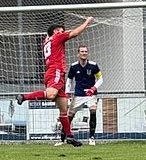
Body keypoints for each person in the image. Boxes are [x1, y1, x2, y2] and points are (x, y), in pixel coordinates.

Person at [17, 17, 94, 147]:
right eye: (61, 30)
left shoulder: (47, 40)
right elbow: (74, 33)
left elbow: (52, 36)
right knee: (51, 94)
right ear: (56, 31)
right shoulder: (56, 37)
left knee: (64, 110)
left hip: (53, 72)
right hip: (56, 71)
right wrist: (86, 22)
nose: (63, 33)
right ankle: (24, 97)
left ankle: (69, 137)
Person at [65, 45, 103, 146]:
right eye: (82, 51)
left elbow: (100, 79)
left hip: (91, 94)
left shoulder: (93, 65)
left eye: (86, 51)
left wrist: (93, 88)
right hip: (78, 95)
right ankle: (62, 138)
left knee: (93, 111)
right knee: (69, 116)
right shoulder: (74, 66)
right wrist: (67, 93)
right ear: (78, 53)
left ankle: (91, 137)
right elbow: (69, 80)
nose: (84, 53)